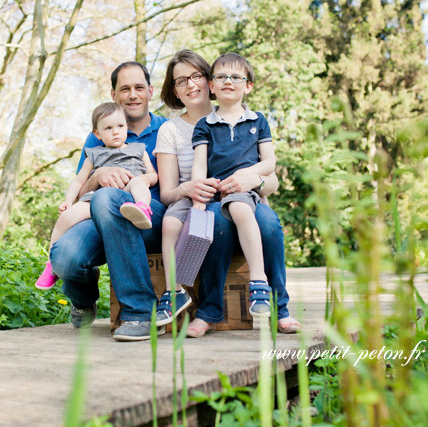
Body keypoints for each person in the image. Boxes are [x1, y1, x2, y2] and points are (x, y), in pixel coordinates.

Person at [153, 50, 301, 336]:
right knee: (217, 225)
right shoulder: (184, 129)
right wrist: (193, 192)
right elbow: (171, 190)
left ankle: (280, 308)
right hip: (210, 200)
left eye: (196, 76)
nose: (191, 84)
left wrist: (251, 179)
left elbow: (271, 177)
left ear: (207, 81)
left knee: (269, 225)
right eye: (181, 80)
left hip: (248, 196)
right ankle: (208, 311)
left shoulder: (249, 118)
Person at [49, 61, 169, 341]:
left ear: (150, 91)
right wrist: (99, 175)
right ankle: (83, 297)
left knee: (108, 197)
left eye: (139, 87)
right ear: (114, 94)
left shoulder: (166, 130)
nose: (133, 95)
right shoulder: (99, 136)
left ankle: (140, 312)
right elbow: (81, 192)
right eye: (124, 89)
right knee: (65, 257)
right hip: (99, 214)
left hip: (148, 216)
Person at [35, 102, 158, 290]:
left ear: (126, 126)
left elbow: (153, 175)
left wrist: (142, 179)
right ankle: (51, 265)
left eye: (120, 126)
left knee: (139, 184)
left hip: (128, 194)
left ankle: (142, 208)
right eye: (108, 128)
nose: (116, 132)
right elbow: (78, 181)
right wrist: (68, 201)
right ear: (97, 134)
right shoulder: (93, 154)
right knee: (65, 218)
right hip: (97, 200)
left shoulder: (138, 150)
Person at [192, 52, 275, 320]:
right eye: (221, 77)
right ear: (212, 86)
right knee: (224, 216)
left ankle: (259, 280)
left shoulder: (258, 120)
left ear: (248, 85)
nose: (228, 81)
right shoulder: (204, 124)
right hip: (219, 193)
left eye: (236, 77)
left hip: (246, 191)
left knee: (241, 206)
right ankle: (209, 311)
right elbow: (199, 166)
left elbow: (270, 162)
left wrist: (246, 176)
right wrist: (198, 197)